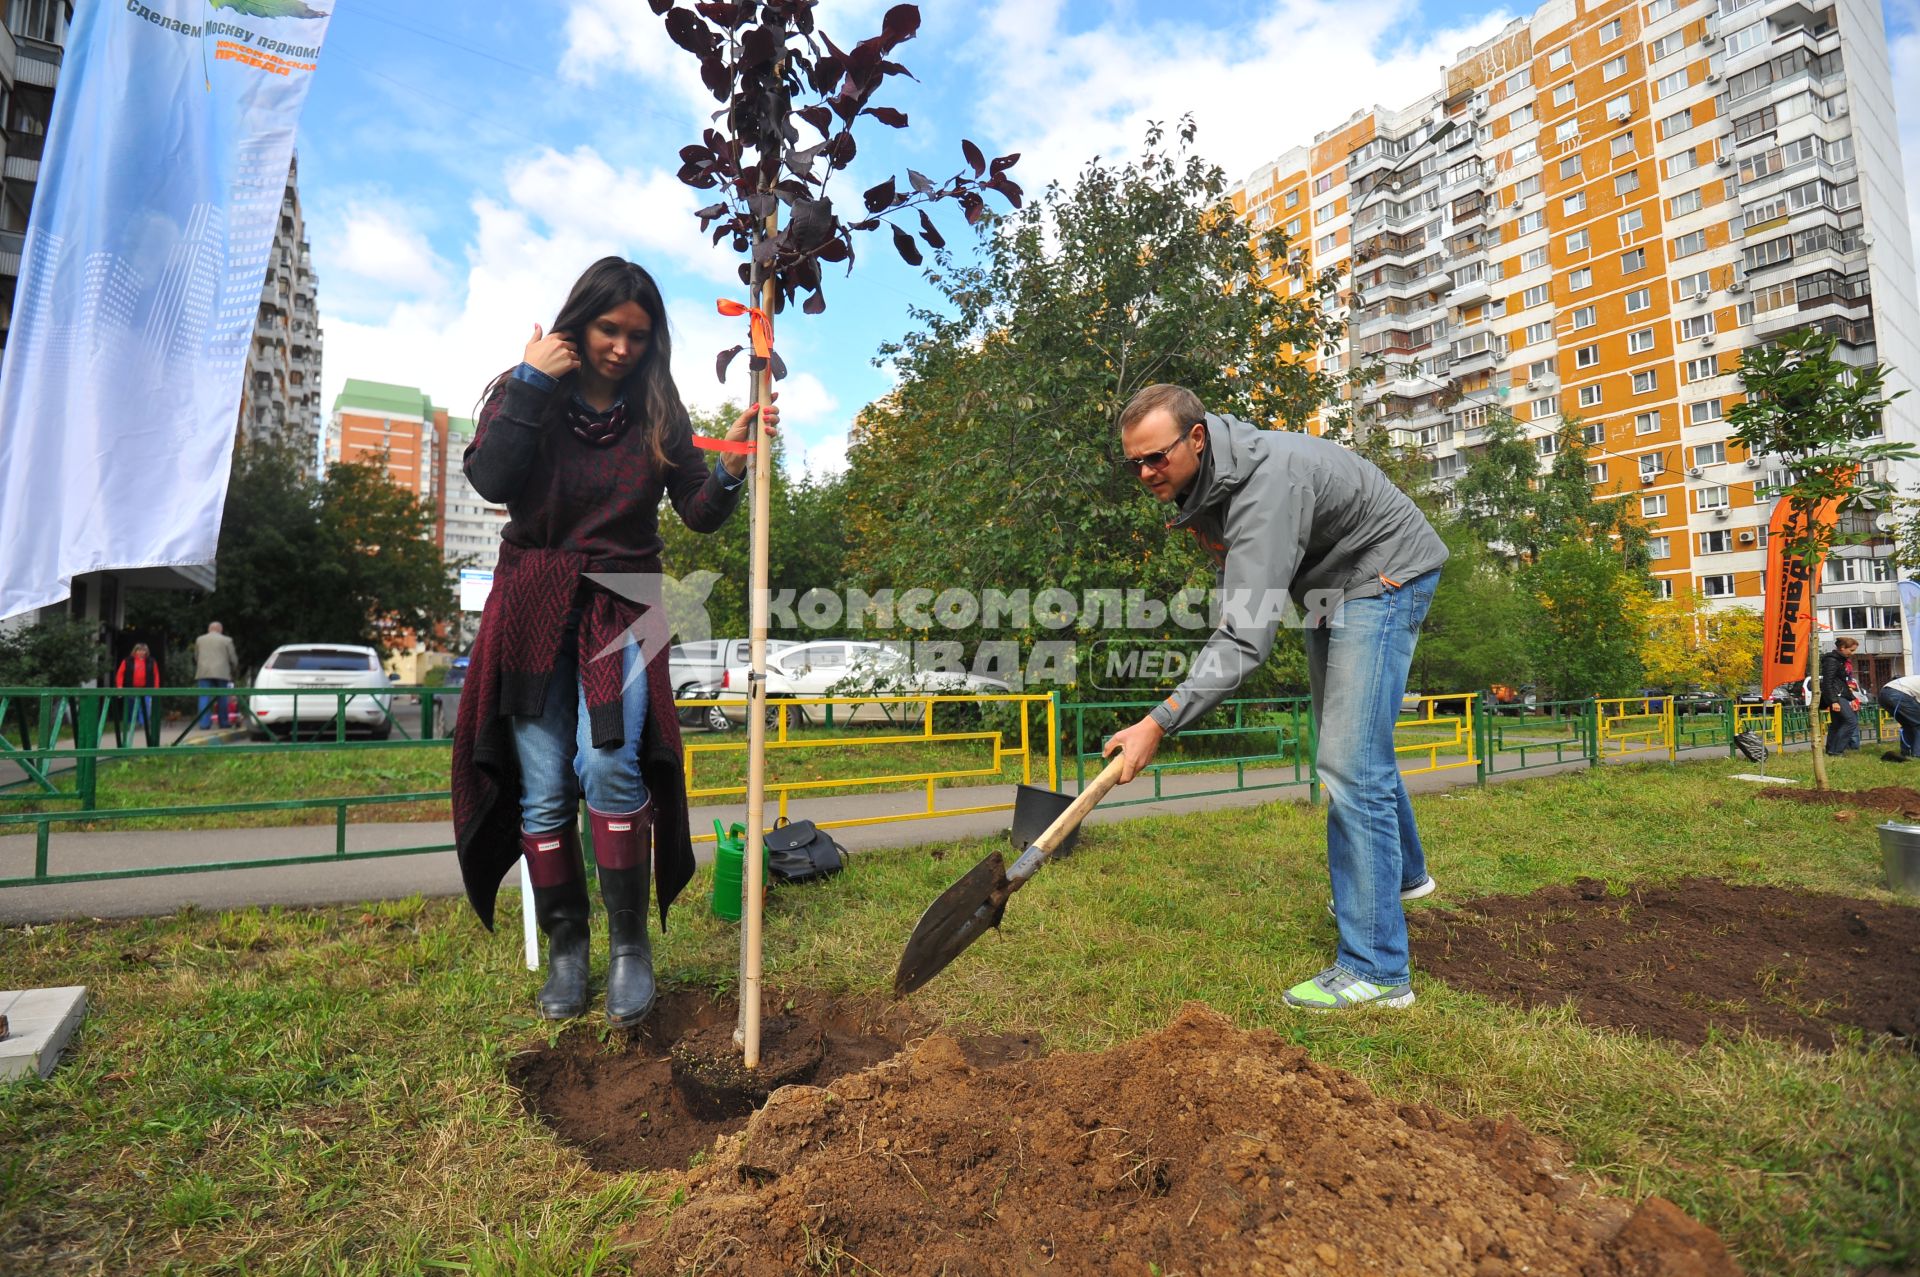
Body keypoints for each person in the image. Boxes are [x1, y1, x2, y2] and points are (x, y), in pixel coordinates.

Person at [450, 257, 776, 1027]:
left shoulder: (656, 409)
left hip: (628, 601)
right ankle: (569, 949)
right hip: (533, 599)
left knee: (610, 761)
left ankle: (631, 947)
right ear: (580, 319)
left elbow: (696, 511)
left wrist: (730, 463)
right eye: (608, 329)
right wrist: (531, 380)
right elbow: (492, 479)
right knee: (542, 783)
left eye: (639, 334)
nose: (623, 347)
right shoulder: (524, 389)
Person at [1102, 384, 1449, 1012]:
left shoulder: (1263, 487)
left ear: (1197, 437)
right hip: (1329, 583)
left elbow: (1244, 637)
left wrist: (1159, 722)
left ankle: (1376, 969)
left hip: (1384, 571)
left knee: (1348, 761)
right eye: (1135, 463)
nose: (1147, 473)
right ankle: (1400, 877)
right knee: (1353, 744)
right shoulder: (1209, 482)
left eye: (1156, 457)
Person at [1819, 637, 1861, 756]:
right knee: (1850, 721)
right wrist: (1834, 701)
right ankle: (1837, 750)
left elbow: (1841, 682)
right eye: (1851, 650)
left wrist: (1852, 698)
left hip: (1839, 695)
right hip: (1836, 696)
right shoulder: (1832, 661)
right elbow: (1828, 683)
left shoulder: (1839, 660)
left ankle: (1831, 750)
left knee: (1837, 723)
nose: (1852, 653)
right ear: (1842, 648)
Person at [193, 622, 239, 729]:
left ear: (209, 629)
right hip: (221, 672)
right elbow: (233, 658)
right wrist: (234, 668)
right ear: (220, 630)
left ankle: (204, 724)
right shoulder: (227, 640)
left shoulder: (200, 639)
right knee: (222, 697)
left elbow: (196, 656)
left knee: (204, 697)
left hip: (204, 672)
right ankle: (223, 722)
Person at [114, 642, 162, 742]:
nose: (141, 652)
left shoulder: (151, 661)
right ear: (135, 651)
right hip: (131, 688)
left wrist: (156, 688)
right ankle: (132, 724)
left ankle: (142, 724)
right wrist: (119, 687)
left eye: (143, 650)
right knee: (131, 707)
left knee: (146, 706)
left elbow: (156, 675)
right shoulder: (127, 661)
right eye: (139, 650)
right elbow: (120, 674)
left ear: (146, 652)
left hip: (147, 688)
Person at [1877, 672, 1920, 760]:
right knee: (1918, 724)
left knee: (1909, 724)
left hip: (1884, 694)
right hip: (1898, 694)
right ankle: (1917, 754)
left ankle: (1906, 752)